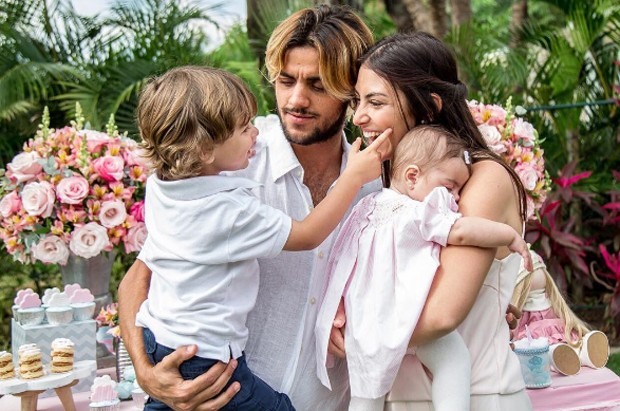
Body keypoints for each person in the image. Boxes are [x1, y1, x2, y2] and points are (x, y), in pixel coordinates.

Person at [117, 5, 379, 410]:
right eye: (285, 80)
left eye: (318, 85)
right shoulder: (223, 161)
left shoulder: (380, 184)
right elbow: (141, 278)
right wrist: (147, 372)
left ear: (352, 92)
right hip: (223, 397)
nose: (296, 99)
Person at [325, 31, 535, 410]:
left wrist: (357, 331)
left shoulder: (482, 180)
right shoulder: (395, 183)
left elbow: (441, 314)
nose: (359, 116)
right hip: (404, 397)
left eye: (376, 101)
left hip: (478, 397)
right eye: (358, 100)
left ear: (429, 107)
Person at [511, 248, 610, 376]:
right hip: (538, 342)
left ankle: (585, 353)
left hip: (558, 334)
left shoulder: (549, 300)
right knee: (546, 352)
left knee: (569, 343)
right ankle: (559, 358)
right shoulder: (519, 310)